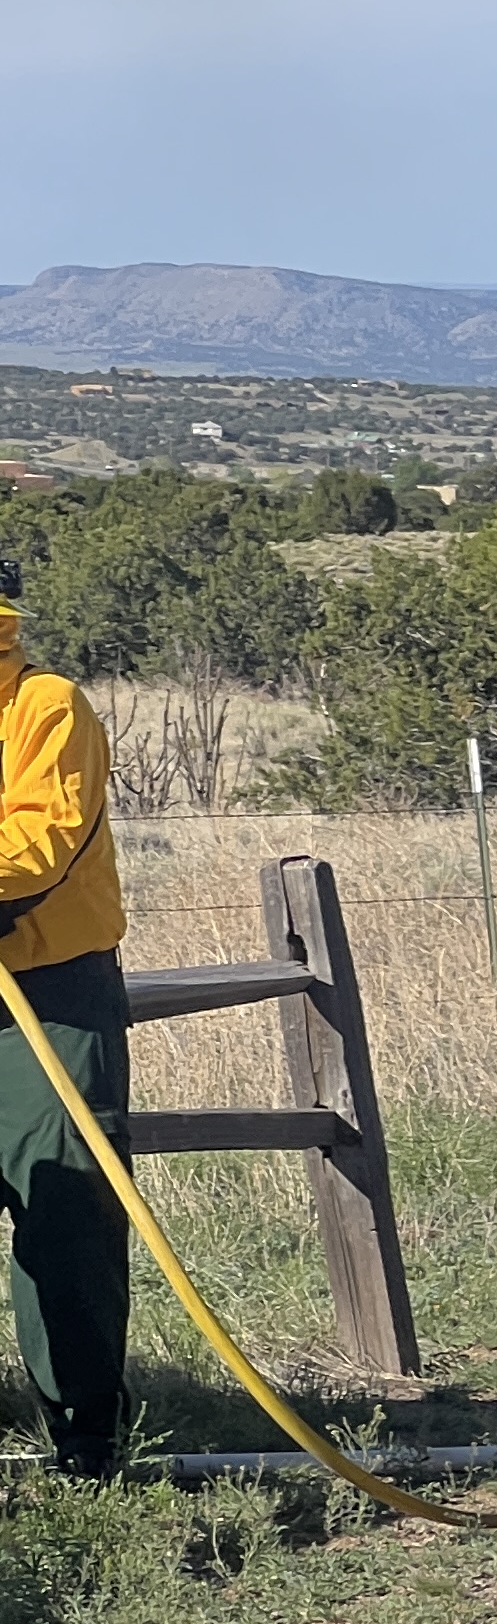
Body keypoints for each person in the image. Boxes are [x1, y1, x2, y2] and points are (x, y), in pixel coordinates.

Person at [0, 596, 129, 1478]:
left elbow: (41, 840)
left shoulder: (45, 705)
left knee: (69, 1211)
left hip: (45, 996)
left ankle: (85, 1436)